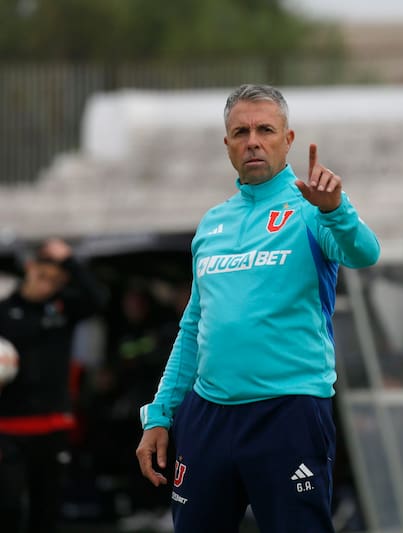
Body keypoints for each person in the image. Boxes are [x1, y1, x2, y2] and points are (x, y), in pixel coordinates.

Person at [135, 83, 381, 533]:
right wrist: (160, 413)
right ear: (226, 143)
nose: (253, 140)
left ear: (287, 140)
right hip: (208, 416)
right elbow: (193, 327)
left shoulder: (312, 208)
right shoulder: (212, 223)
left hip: (288, 411)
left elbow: (365, 253)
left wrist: (336, 211)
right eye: (241, 131)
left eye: (265, 129)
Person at [0, 237, 107, 532]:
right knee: (8, 505)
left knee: (47, 510)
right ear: (30, 269)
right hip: (9, 428)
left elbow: (98, 300)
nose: (47, 285)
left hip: (53, 424)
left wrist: (71, 259)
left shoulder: (63, 309)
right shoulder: (4, 312)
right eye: (43, 276)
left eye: (56, 280)